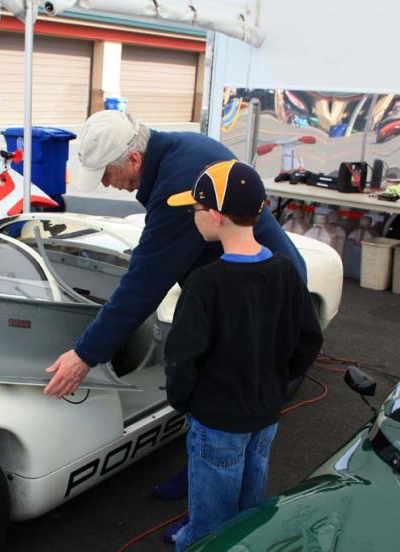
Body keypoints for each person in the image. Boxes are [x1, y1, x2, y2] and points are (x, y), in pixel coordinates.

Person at [43, 110, 307, 397]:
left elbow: (143, 285)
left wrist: (84, 355)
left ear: (134, 159)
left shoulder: (179, 187)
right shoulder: (184, 146)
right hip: (267, 290)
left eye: (106, 173)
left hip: (262, 309)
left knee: (236, 400)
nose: (106, 184)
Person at [163, 160, 323, 550]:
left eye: (195, 209)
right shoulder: (285, 270)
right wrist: (277, 384)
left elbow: (182, 356)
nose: (193, 216)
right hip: (265, 414)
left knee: (210, 526)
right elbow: (309, 338)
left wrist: (183, 400)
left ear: (216, 215)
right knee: (249, 510)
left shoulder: (204, 283)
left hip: (217, 420)